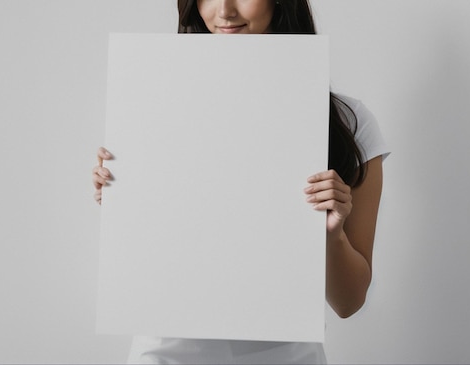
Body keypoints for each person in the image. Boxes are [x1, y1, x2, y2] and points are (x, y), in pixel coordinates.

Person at [92, 0, 389, 363]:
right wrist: (125, 192)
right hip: (165, 353)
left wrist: (331, 234)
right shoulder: (150, 104)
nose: (225, 10)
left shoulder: (347, 123)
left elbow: (349, 302)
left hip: (286, 354)